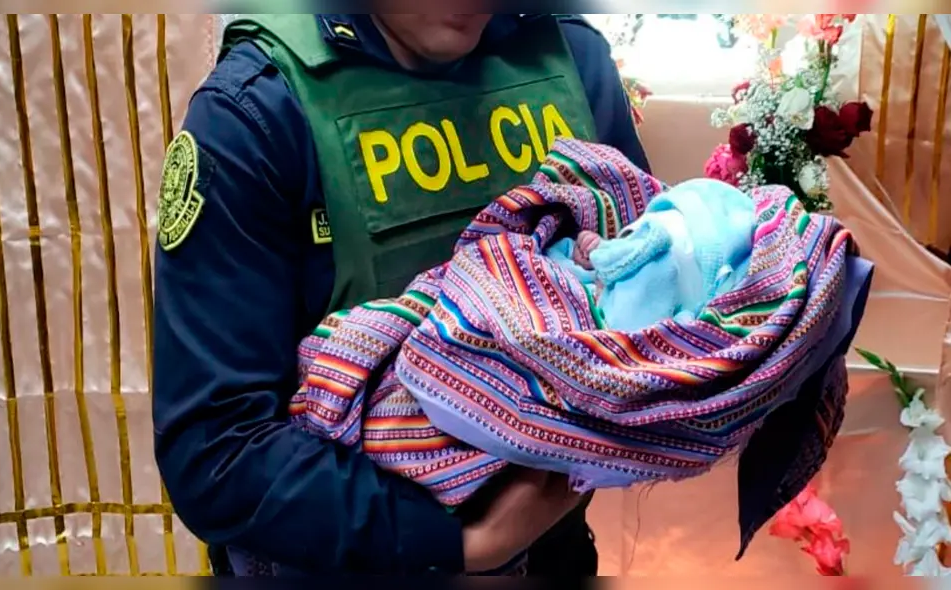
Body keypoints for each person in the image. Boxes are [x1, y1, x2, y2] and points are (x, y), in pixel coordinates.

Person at [152, 12, 651, 576]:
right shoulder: (256, 113)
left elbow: (650, 299)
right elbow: (217, 451)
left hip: (555, 550)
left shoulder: (572, 62)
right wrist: (464, 545)